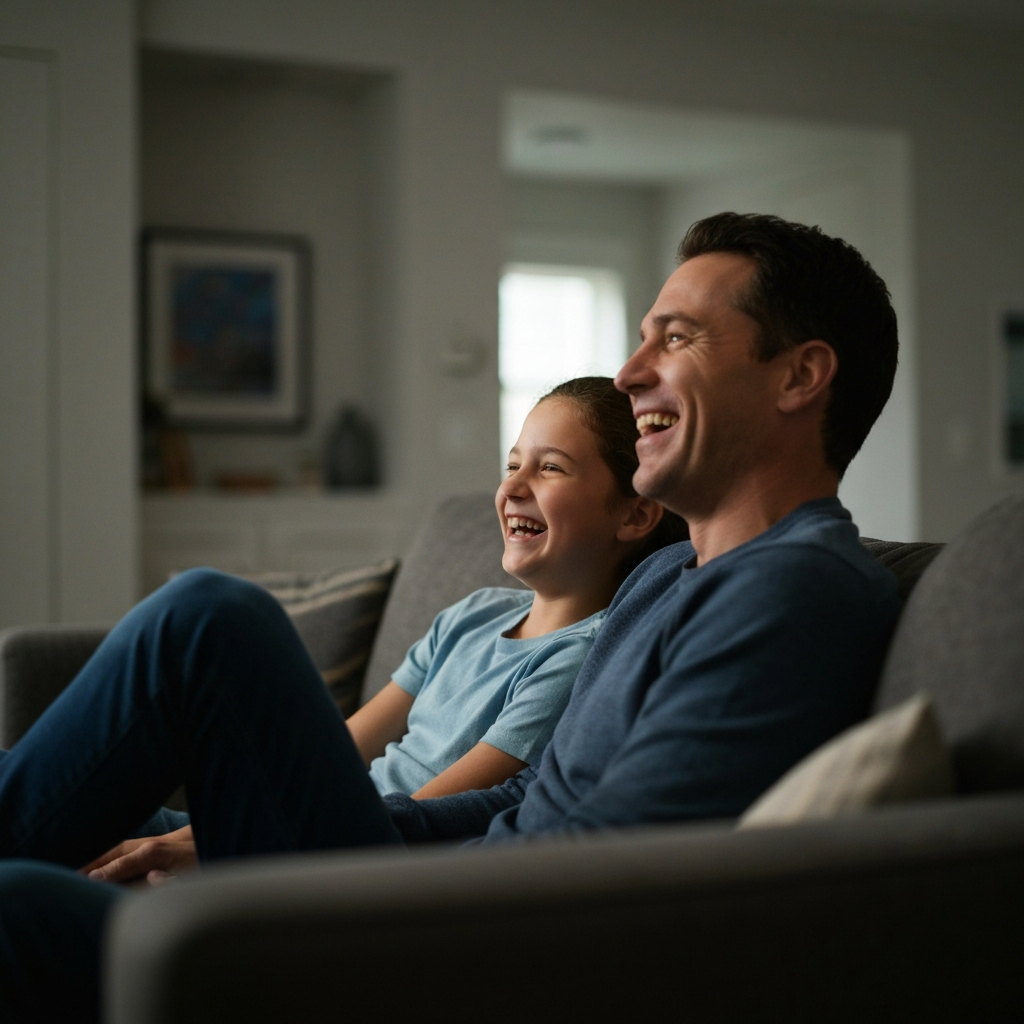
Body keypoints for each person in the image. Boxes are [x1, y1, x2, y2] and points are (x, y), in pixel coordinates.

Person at [0, 212, 902, 1023]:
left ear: (800, 377)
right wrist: (244, 835)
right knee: (40, 857)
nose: (630, 375)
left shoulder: (797, 589)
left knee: (208, 622)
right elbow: (527, 799)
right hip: (428, 892)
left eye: (678, 339)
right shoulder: (672, 571)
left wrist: (286, 858)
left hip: (454, 948)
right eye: (640, 341)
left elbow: (612, 876)